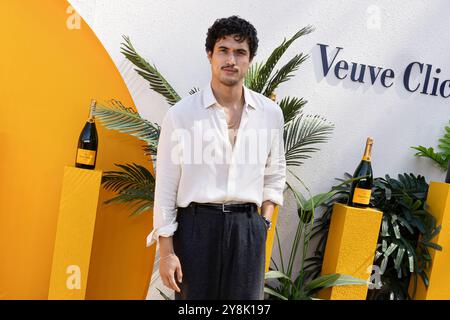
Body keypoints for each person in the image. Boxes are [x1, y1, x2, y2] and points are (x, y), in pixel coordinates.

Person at [146, 15, 286, 300]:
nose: (231, 59)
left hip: (248, 230)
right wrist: (167, 252)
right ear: (210, 54)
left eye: (240, 52)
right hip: (196, 229)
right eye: (223, 50)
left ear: (250, 59)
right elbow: (166, 187)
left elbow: (275, 173)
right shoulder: (182, 115)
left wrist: (264, 224)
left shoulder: (270, 114)